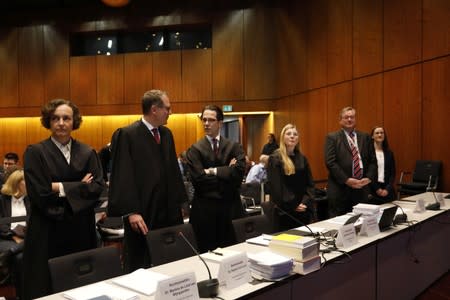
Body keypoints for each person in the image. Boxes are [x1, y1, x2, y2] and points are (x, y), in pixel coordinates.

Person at [22, 99, 105, 299]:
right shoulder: (35, 152)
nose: (61, 122)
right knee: (46, 288)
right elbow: (39, 193)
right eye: (55, 118)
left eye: (66, 118)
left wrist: (57, 187)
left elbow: (97, 188)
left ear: (74, 121)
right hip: (47, 228)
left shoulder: (87, 152)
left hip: (81, 229)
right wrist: (78, 186)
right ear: (48, 122)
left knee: (80, 286)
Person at [108, 90, 187, 272]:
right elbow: (122, 175)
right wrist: (131, 212)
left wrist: (180, 203)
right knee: (141, 263)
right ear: (154, 109)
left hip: (167, 211)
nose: (170, 112)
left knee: (170, 260)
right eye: (167, 108)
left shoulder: (166, 134)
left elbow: (173, 172)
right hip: (142, 213)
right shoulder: (127, 135)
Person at [186, 105, 246, 252]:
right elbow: (199, 181)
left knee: (234, 255)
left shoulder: (234, 146)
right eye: (204, 120)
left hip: (231, 210)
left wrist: (212, 171)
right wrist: (227, 172)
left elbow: (238, 176)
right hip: (205, 213)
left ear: (220, 122)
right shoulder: (195, 149)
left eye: (211, 120)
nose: (206, 123)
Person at [324, 106, 377, 217]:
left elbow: (373, 161)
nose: (349, 120)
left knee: (361, 223)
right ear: (340, 120)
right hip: (340, 189)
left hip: (361, 189)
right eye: (346, 117)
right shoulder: (332, 137)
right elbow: (330, 162)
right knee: (340, 225)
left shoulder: (365, 137)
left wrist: (368, 178)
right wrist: (347, 180)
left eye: (352, 117)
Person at [267, 124, 315, 231]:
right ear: (283, 137)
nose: (292, 136)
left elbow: (310, 184)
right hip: (285, 212)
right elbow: (276, 188)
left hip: (303, 209)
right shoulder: (275, 158)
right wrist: (293, 205)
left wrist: (304, 202)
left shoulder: (302, 158)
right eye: (288, 134)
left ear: (298, 139)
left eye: (295, 134)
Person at [0, 169, 30, 287]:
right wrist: (14, 236)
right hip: (6, 238)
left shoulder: (31, 200)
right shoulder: (2, 200)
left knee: (24, 253)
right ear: (17, 183)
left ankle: (8, 254)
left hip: (26, 237)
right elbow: (1, 224)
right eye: (26, 181)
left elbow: (34, 223)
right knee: (21, 257)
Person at [369, 126, 396, 203]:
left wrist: (387, 189)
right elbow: (368, 174)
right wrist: (377, 189)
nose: (380, 135)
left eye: (382, 133)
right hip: (373, 190)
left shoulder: (389, 153)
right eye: (377, 133)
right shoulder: (368, 153)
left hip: (387, 190)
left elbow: (392, 173)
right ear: (372, 136)